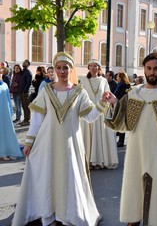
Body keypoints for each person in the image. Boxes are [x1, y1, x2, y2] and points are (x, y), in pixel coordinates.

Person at [12, 52, 107, 226]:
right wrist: (29, 142)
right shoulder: (47, 90)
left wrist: (102, 103)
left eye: (66, 68)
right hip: (47, 143)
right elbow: (37, 119)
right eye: (59, 68)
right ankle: (49, 213)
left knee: (68, 177)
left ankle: (67, 214)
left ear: (71, 70)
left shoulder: (79, 92)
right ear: (54, 69)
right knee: (48, 176)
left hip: (71, 145)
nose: (62, 71)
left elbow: (90, 117)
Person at [103, 52, 157, 226]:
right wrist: (114, 103)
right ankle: (133, 220)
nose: (152, 72)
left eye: (156, 68)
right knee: (134, 190)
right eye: (149, 68)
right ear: (143, 69)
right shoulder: (134, 94)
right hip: (136, 154)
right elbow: (122, 125)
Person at [80, 59, 118, 169]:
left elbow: (108, 95)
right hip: (88, 111)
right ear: (88, 68)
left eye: (95, 66)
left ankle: (100, 160)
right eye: (90, 66)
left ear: (98, 68)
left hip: (101, 111)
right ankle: (89, 161)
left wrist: (106, 104)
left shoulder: (103, 81)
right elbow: (80, 96)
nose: (92, 68)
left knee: (101, 134)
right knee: (88, 134)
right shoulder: (83, 80)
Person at [0, 68, 22, 161]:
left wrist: (10, 111)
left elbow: (8, 99)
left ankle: (10, 151)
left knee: (7, 132)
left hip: (5, 112)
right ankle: (2, 153)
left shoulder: (4, 85)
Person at [114, 70, 131, 147]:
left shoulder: (124, 85)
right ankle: (120, 140)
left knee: (122, 123)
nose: (116, 78)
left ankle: (121, 141)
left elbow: (121, 96)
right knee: (120, 122)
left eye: (117, 76)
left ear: (120, 77)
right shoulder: (121, 84)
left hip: (122, 106)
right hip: (119, 105)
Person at [18, 59, 32, 126]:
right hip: (21, 92)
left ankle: (27, 120)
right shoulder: (22, 72)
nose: (24, 63)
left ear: (28, 65)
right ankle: (25, 119)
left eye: (26, 62)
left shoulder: (28, 72)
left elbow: (28, 83)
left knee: (26, 106)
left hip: (25, 92)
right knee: (23, 106)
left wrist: (24, 91)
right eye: (24, 62)